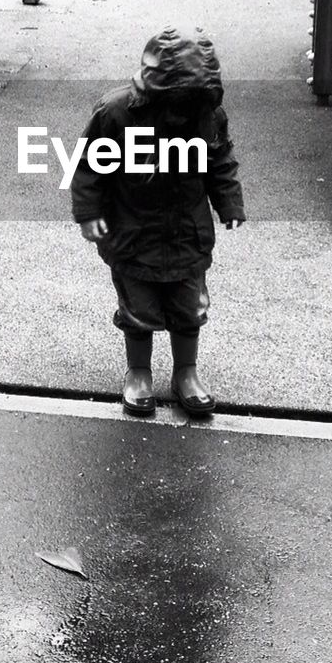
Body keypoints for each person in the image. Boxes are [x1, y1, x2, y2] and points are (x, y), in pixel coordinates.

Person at [71, 27, 246, 417]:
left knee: (189, 307)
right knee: (138, 307)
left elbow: (220, 160)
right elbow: (88, 166)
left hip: (186, 231)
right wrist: (89, 212)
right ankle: (139, 372)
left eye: (192, 103)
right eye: (177, 102)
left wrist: (229, 202)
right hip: (133, 231)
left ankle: (186, 372)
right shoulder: (116, 113)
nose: (182, 113)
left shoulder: (207, 115)